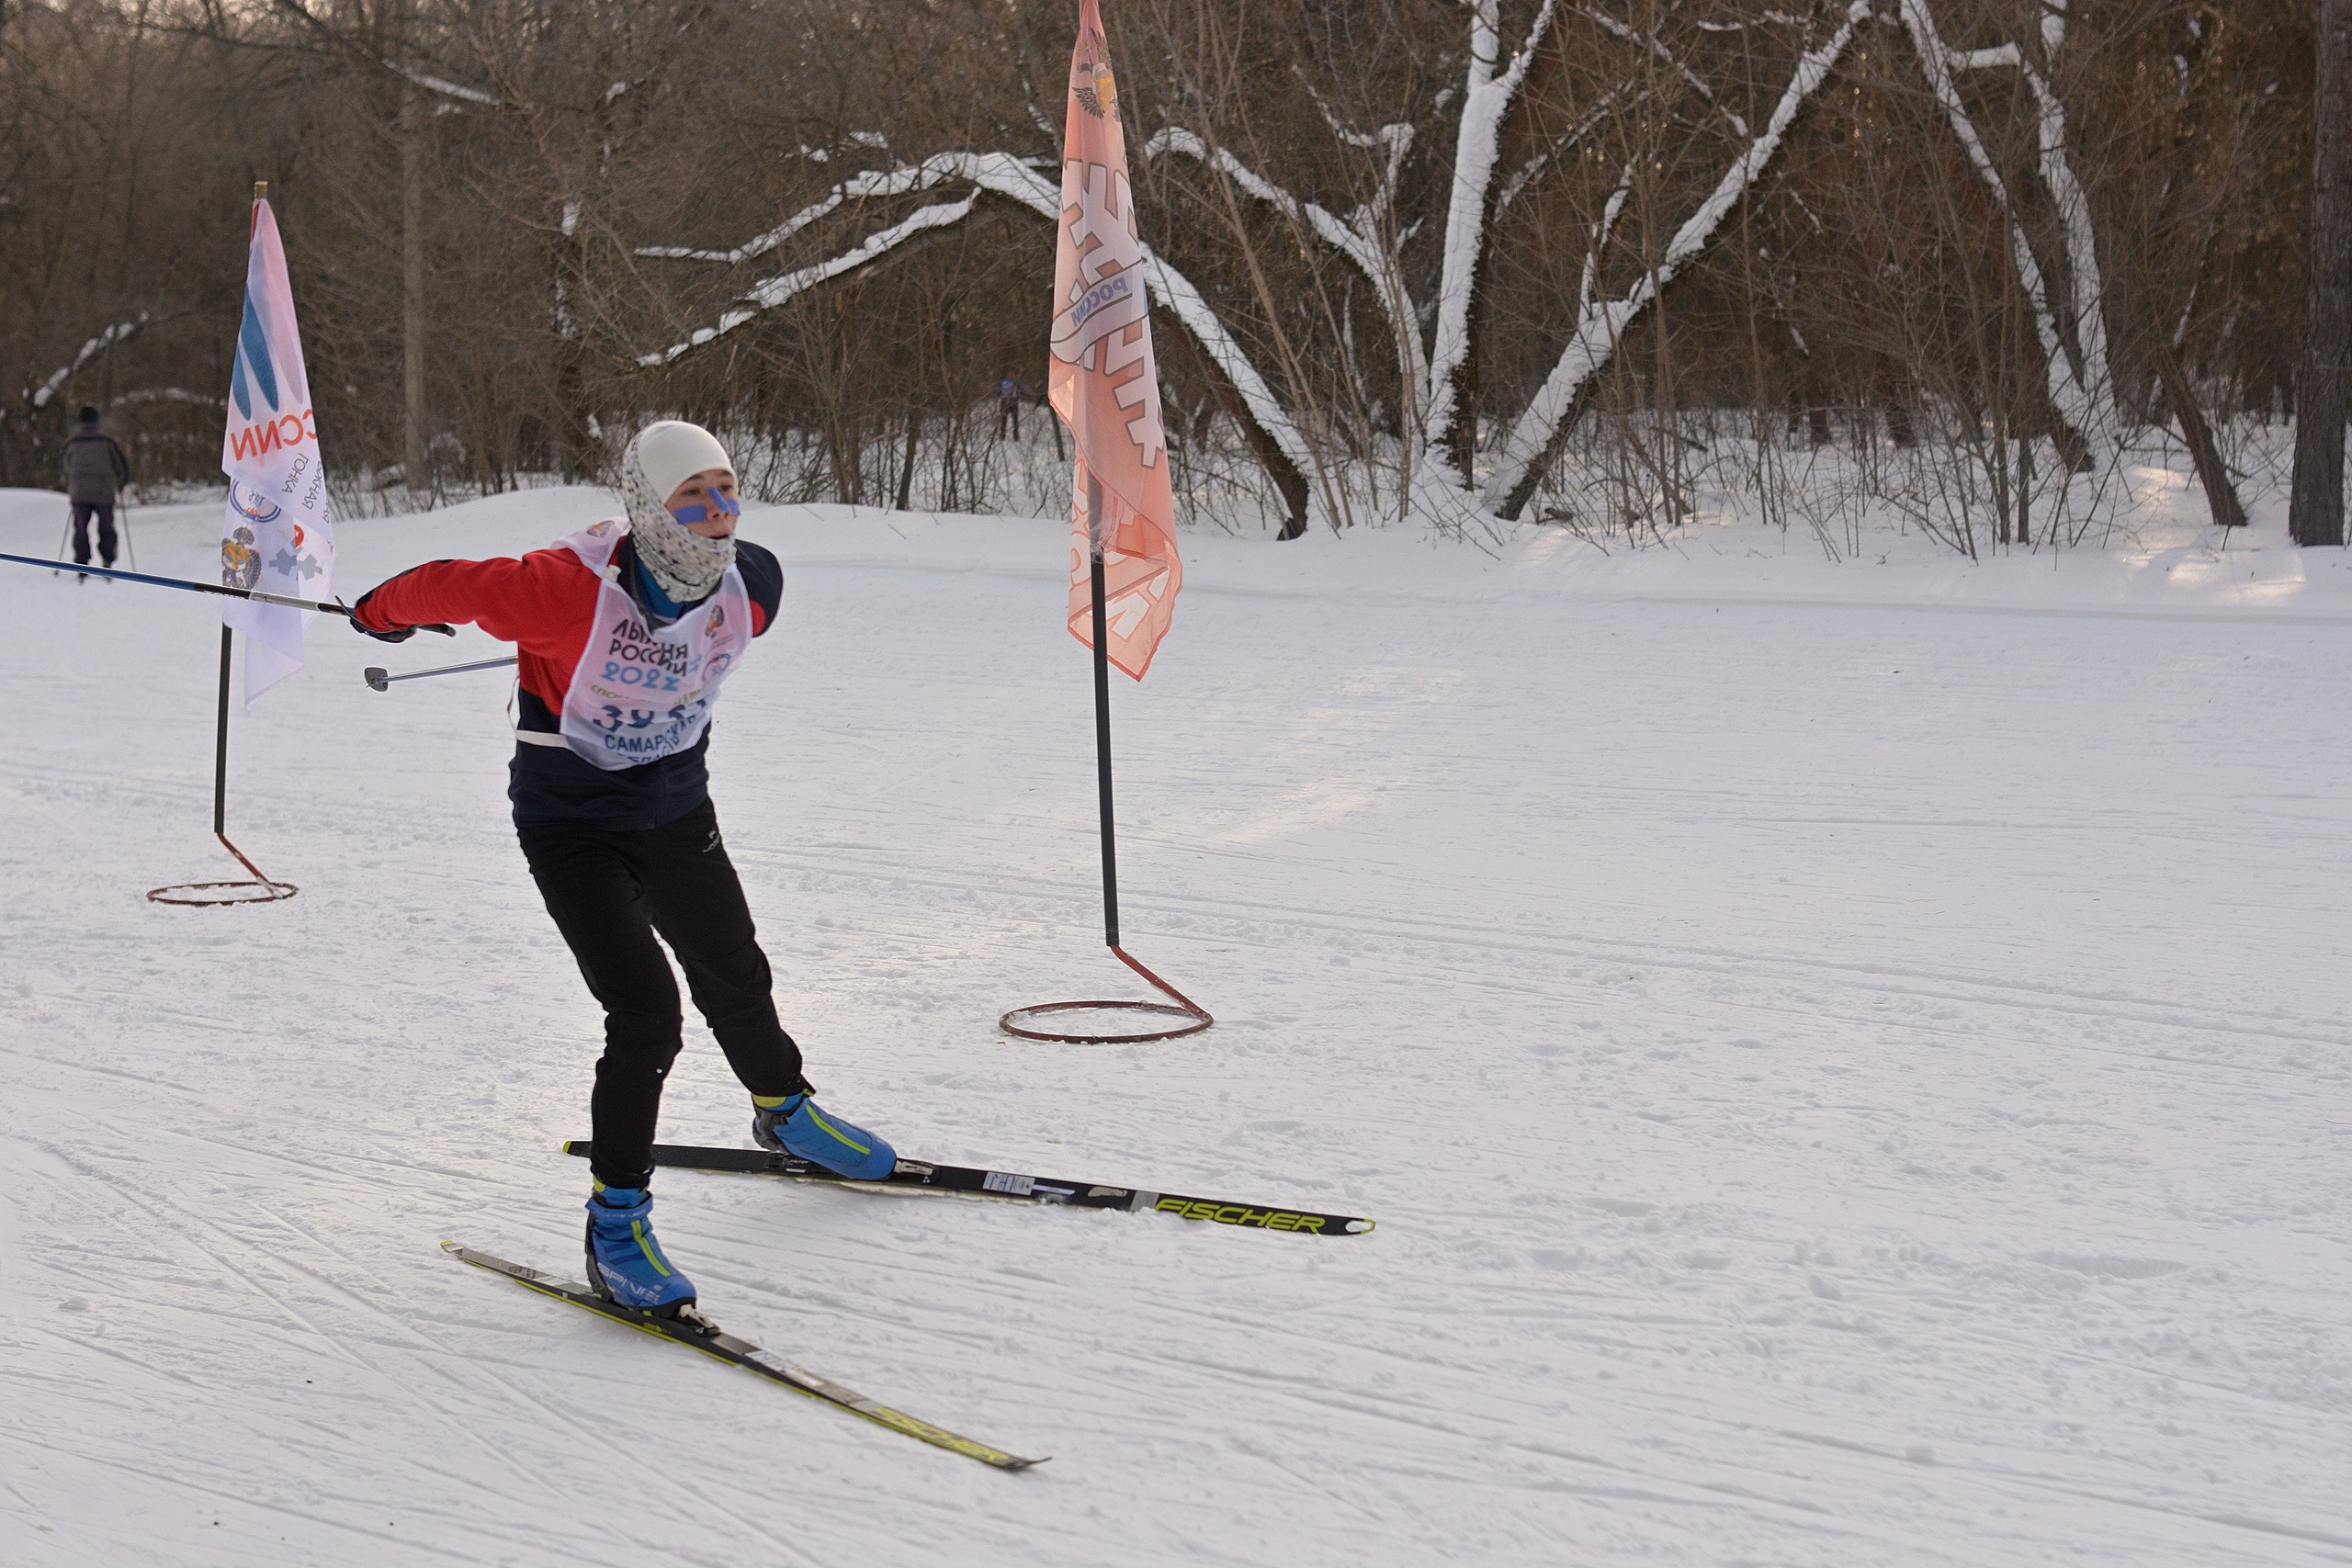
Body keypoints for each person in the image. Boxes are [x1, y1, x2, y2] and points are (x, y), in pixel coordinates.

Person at [348, 420, 895, 1317]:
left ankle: (783, 1112)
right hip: (573, 828)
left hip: (677, 810)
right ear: (647, 506)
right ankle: (617, 1224)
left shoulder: (752, 583)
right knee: (646, 1013)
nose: (718, 513)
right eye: (692, 496)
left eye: (725, 490)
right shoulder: (555, 590)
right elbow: (437, 585)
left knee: (732, 963)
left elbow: (727, 572)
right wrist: (379, 614)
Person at [62, 405, 130, 580]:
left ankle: (82, 563)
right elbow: (120, 465)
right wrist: (121, 482)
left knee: (81, 529)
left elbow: (66, 465)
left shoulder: (73, 442)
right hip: (104, 493)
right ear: (96, 421)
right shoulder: (106, 441)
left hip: (80, 494)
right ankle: (107, 561)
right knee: (106, 528)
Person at [994, 373, 1025, 441]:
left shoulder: (1002, 382)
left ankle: (1002, 436)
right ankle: (1016, 437)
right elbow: (1023, 390)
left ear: (1007, 376)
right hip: (1013, 402)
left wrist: (1000, 395)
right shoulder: (1016, 382)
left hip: (1004, 402)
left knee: (1003, 420)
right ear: (1014, 376)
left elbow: (997, 393)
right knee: (1015, 420)